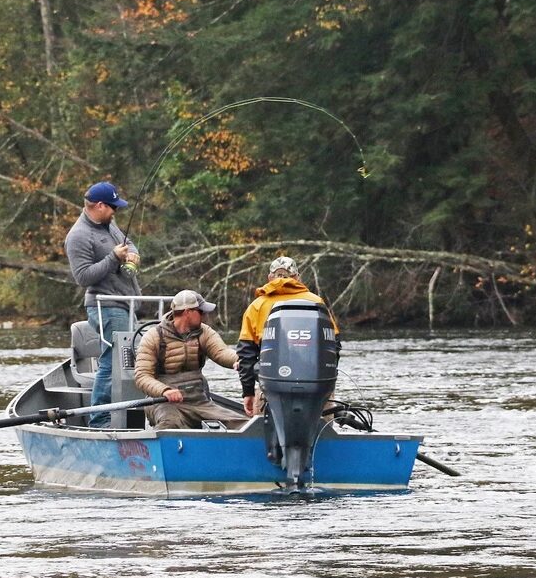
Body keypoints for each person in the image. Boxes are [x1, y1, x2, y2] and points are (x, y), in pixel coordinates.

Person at [64, 181, 141, 427]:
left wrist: (131, 255)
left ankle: (133, 413)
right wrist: (113, 258)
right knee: (113, 361)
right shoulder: (78, 236)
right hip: (104, 306)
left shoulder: (109, 224)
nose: (116, 212)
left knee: (133, 357)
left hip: (125, 304)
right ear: (99, 206)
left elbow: (127, 244)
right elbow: (83, 277)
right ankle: (99, 419)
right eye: (112, 207)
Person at [236, 256, 340, 417]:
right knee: (323, 437)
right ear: (297, 277)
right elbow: (334, 346)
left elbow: (246, 354)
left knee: (265, 439)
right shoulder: (316, 302)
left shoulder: (256, 306)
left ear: (270, 277)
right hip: (317, 392)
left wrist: (247, 392)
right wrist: (328, 384)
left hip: (270, 392)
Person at [134, 290, 249, 430]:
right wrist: (164, 391)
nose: (206, 316)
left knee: (243, 425)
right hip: (163, 403)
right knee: (170, 426)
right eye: (201, 312)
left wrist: (239, 360)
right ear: (188, 312)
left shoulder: (204, 332)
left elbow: (222, 352)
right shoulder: (153, 337)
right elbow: (142, 376)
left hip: (198, 401)